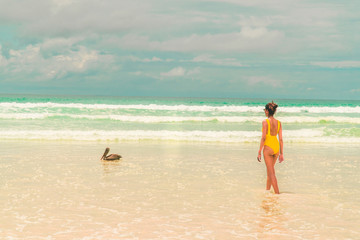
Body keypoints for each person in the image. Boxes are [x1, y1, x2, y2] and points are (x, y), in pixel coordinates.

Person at [257, 101, 284, 194]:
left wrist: (259, 151)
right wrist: (281, 153)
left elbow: (264, 137)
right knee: (270, 170)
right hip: (276, 147)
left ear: (267, 111)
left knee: (271, 173)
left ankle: (277, 194)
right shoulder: (279, 123)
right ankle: (267, 191)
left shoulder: (265, 122)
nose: (264, 111)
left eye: (265, 110)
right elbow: (280, 139)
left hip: (268, 147)